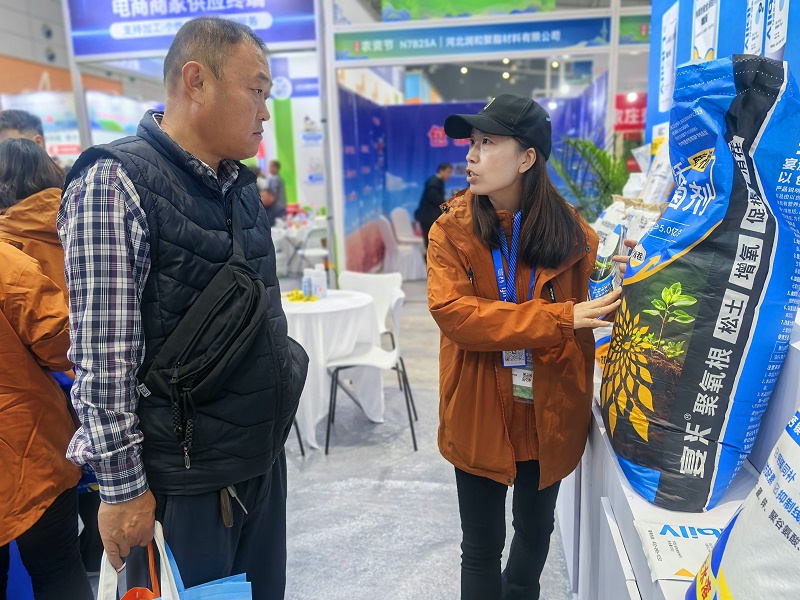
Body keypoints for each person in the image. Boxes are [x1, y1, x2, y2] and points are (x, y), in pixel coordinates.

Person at [58, 17, 307, 600]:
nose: (265, 112)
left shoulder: (239, 186)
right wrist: (121, 492)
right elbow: (102, 361)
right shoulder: (113, 184)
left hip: (256, 466)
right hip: (182, 488)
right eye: (257, 91)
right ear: (196, 81)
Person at [426, 94, 621, 599]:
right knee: (481, 546)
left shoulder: (578, 236)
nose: (471, 155)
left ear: (527, 157)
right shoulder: (450, 231)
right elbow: (455, 315)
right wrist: (558, 318)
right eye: (472, 142)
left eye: (487, 142)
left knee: (535, 535)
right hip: (479, 405)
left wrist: (620, 297)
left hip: (548, 407)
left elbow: (594, 311)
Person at [0, 137, 105, 575]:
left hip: (29, 416)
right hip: (84, 395)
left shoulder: (8, 245)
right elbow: (62, 340)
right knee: (63, 561)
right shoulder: (84, 220)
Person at [0, 237, 93, 599]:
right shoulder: (8, 260)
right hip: (26, 448)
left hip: (23, 444)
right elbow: (63, 343)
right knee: (58, 570)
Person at [415, 161, 452, 248]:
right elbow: (435, 198)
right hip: (428, 218)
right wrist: (447, 208)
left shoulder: (437, 182)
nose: (449, 175)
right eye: (448, 172)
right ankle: (429, 261)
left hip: (430, 217)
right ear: (441, 171)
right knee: (430, 242)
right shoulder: (434, 182)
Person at [265, 159, 287, 223]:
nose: (269, 169)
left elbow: (273, 194)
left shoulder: (274, 178)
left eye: (271, 167)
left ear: (276, 168)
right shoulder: (279, 178)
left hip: (276, 206)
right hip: (281, 204)